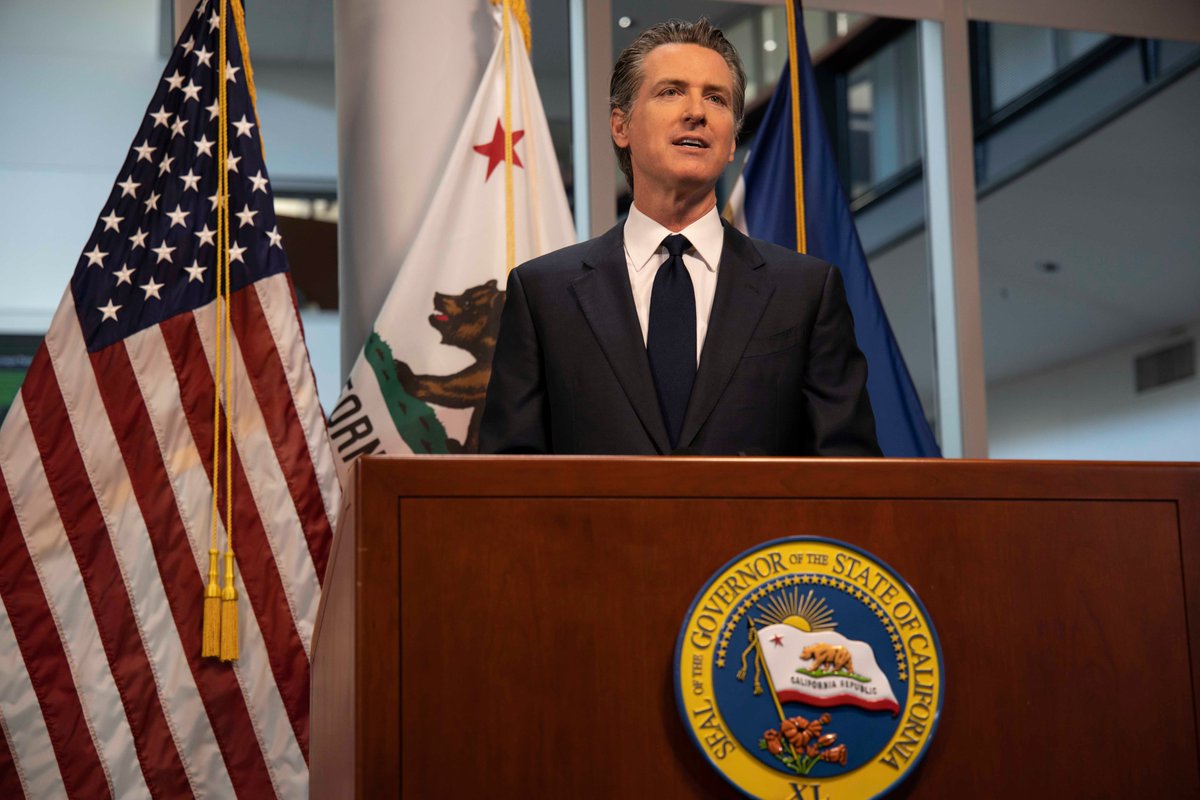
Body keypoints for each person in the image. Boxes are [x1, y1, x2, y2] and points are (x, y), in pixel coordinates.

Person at [479, 18, 880, 456]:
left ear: (731, 143)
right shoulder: (542, 294)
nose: (697, 112)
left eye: (716, 98)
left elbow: (849, 481)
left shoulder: (805, 291)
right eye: (671, 92)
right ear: (621, 127)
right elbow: (508, 487)